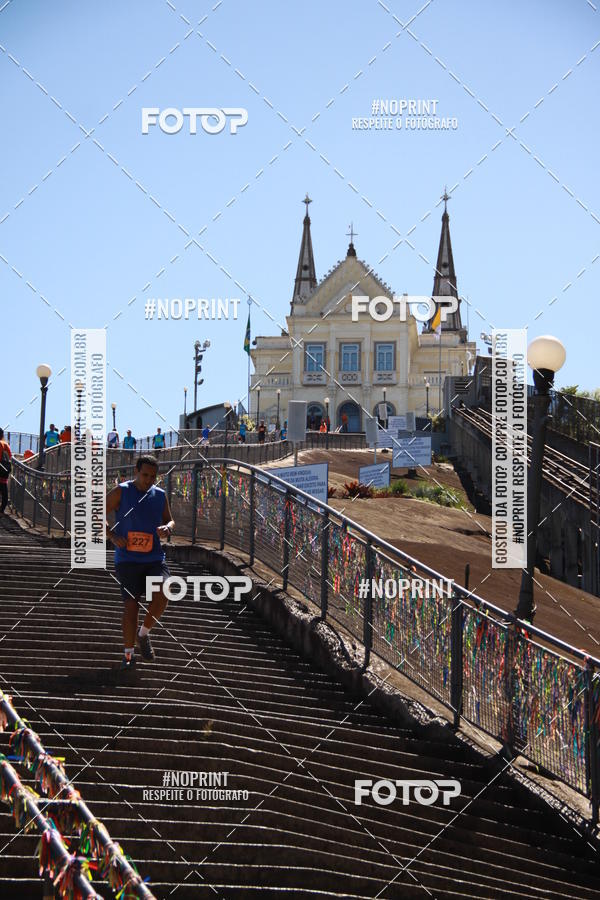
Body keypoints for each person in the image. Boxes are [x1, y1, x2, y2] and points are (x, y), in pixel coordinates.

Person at [105, 455, 175, 668]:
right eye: (145, 475)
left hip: (154, 557)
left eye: (152, 477)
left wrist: (168, 528)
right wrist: (112, 535)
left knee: (166, 589)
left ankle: (143, 634)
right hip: (127, 559)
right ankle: (128, 656)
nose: (148, 480)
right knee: (131, 607)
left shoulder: (160, 495)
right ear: (136, 471)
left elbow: (169, 519)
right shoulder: (122, 491)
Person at [0, 428, 12, 514]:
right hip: (3, 473)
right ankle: (1, 510)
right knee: (4, 493)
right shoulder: (5, 444)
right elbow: (10, 457)